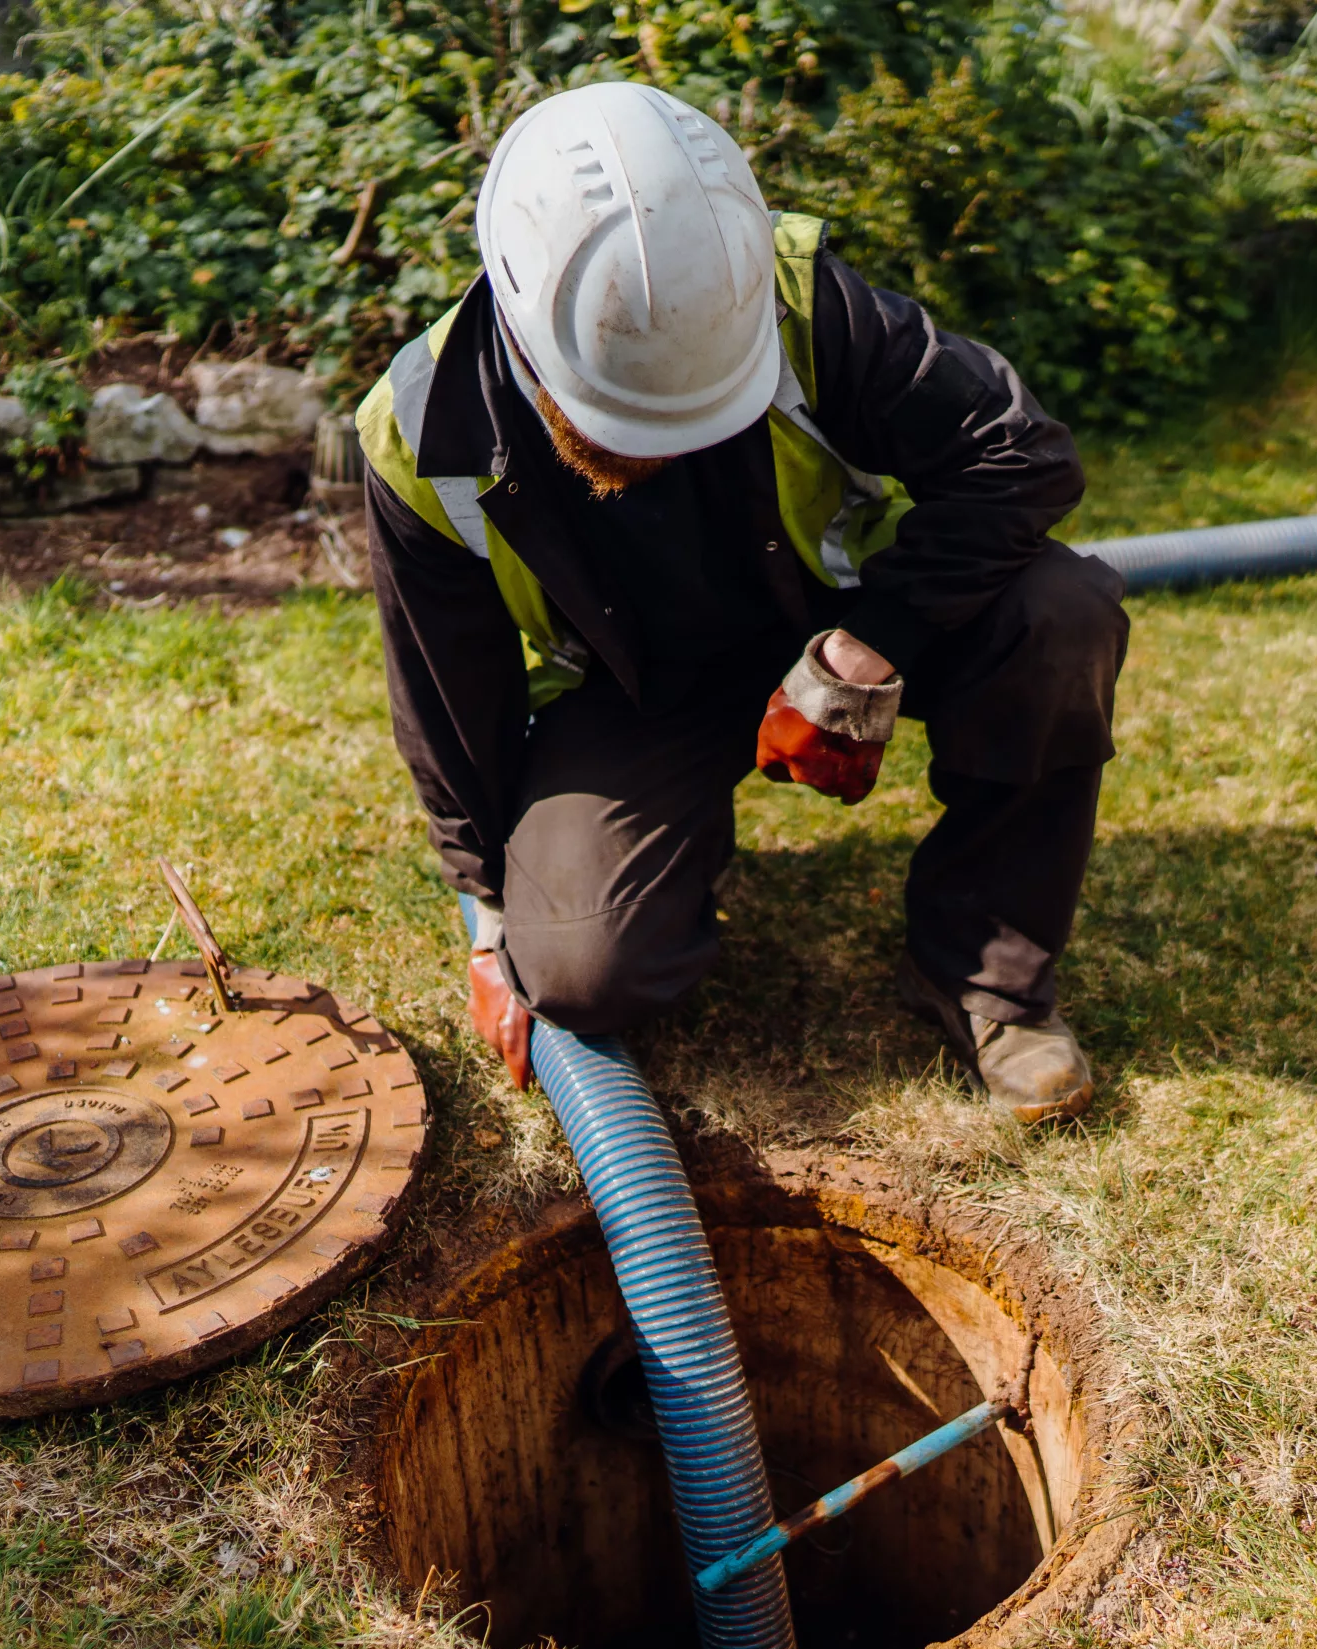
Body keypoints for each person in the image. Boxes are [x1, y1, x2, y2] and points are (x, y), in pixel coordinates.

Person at [356, 82, 1127, 1124]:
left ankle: (987, 981)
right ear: (530, 337)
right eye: (631, 421)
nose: (668, 443)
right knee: (584, 974)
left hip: (831, 610)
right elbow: (450, 694)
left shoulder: (793, 300)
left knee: (1060, 609)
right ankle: (667, 853)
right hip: (633, 693)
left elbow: (1018, 456)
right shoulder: (421, 436)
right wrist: (491, 910)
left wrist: (869, 645)